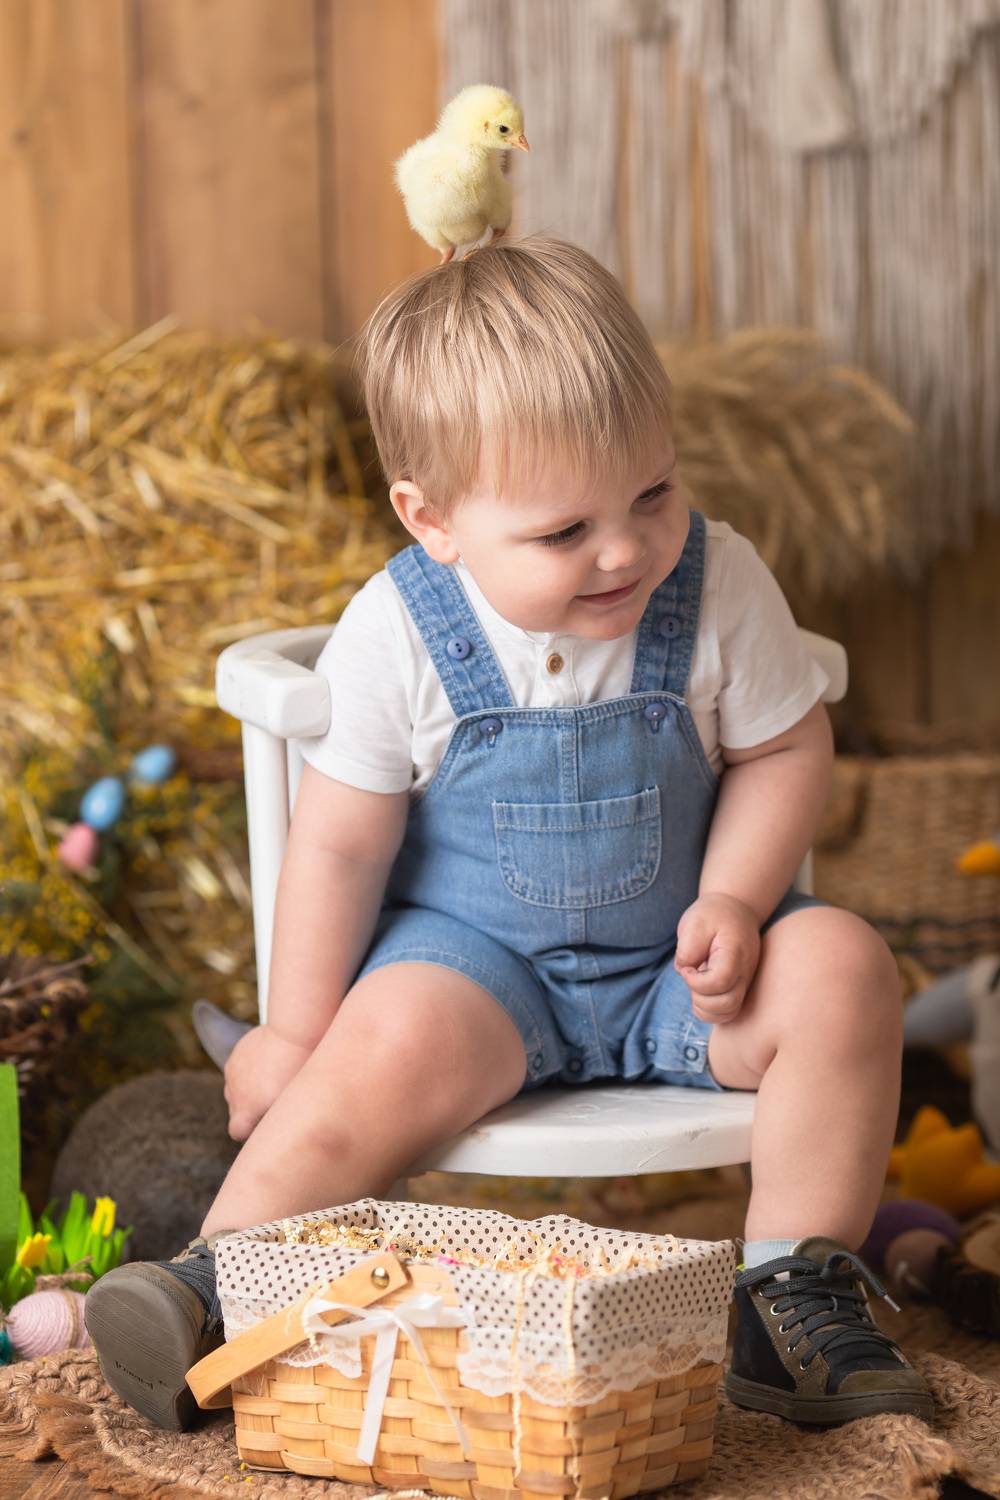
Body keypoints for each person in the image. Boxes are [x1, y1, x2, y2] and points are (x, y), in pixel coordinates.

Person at [85, 233, 932, 1432]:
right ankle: (219, 1285)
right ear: (432, 521)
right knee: (372, 1054)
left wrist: (738, 899)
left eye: (654, 491)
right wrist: (292, 1034)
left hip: (678, 974)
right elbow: (339, 847)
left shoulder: (717, 585)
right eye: (562, 532)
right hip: (477, 978)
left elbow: (784, 751)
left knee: (842, 963)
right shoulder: (400, 633)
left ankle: (791, 1292)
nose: (625, 549)